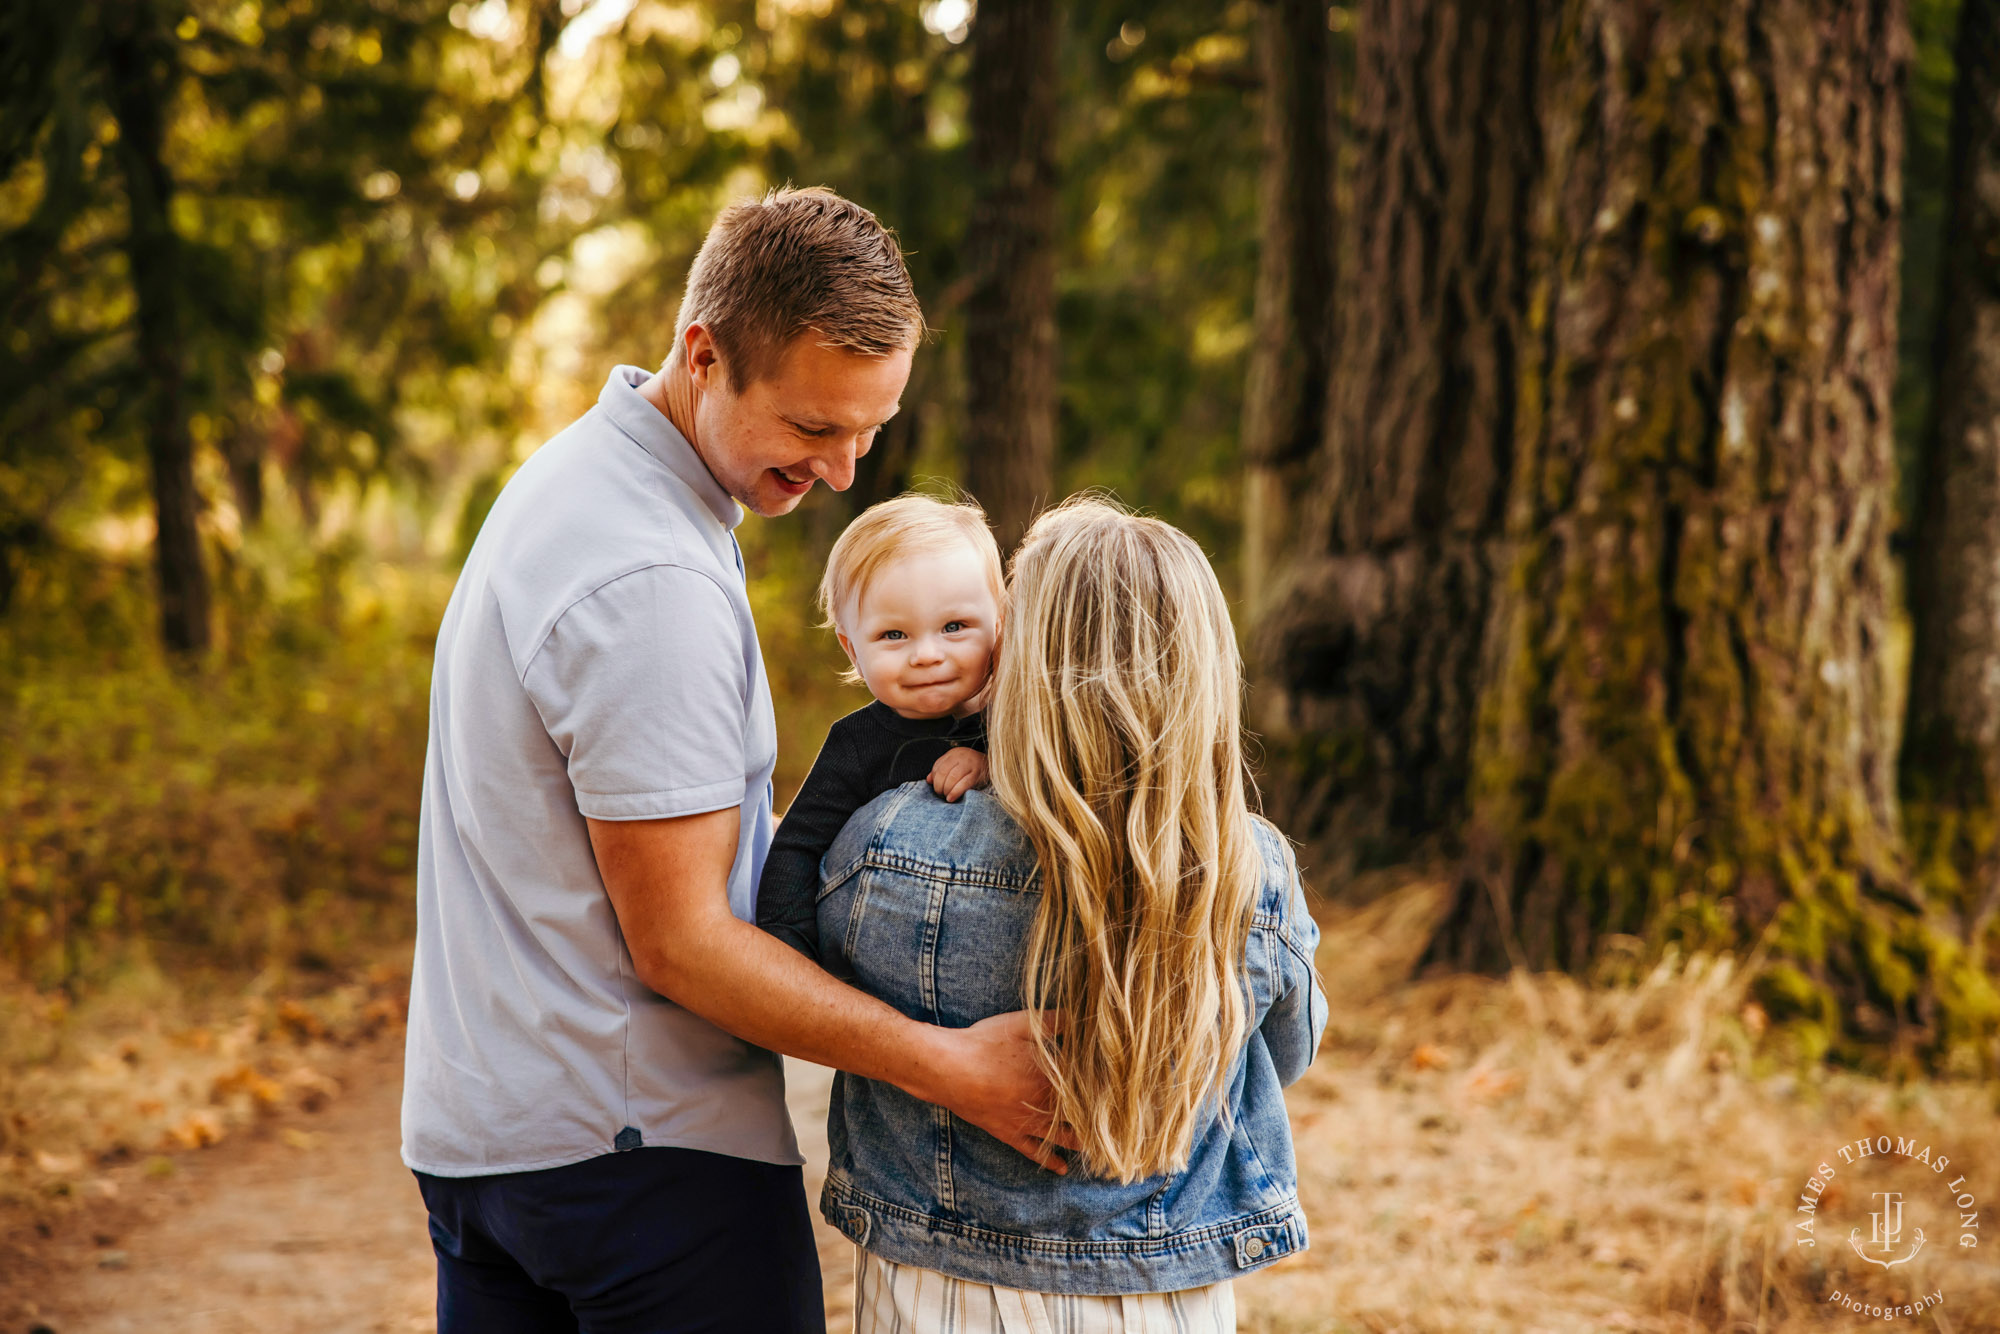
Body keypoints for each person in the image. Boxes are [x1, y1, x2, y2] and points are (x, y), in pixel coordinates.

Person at [400, 187, 1069, 1334]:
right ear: (703, 354)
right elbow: (683, 941)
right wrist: (950, 1065)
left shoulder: (570, 480)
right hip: (637, 1164)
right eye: (814, 428)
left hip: (488, 1143)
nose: (847, 468)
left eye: (870, 428)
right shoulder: (648, 575)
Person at [812, 497, 1327, 1332]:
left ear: (1020, 651)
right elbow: (1284, 1052)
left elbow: (813, 993)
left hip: (937, 1292)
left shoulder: (890, 839)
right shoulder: (1245, 866)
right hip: (1165, 1297)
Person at [758, 493, 1002, 959]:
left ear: (1000, 623)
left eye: (954, 626)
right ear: (852, 650)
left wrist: (992, 764)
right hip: (875, 972)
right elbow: (797, 849)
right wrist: (789, 954)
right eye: (894, 635)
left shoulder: (1018, 721)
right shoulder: (855, 743)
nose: (927, 654)